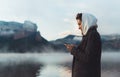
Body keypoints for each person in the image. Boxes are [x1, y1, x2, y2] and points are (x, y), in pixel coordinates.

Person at [65, 13, 102, 77]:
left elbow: (88, 58)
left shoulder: (93, 35)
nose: (79, 27)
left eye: (79, 24)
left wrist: (73, 50)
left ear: (86, 22)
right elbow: (87, 54)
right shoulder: (88, 36)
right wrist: (74, 48)